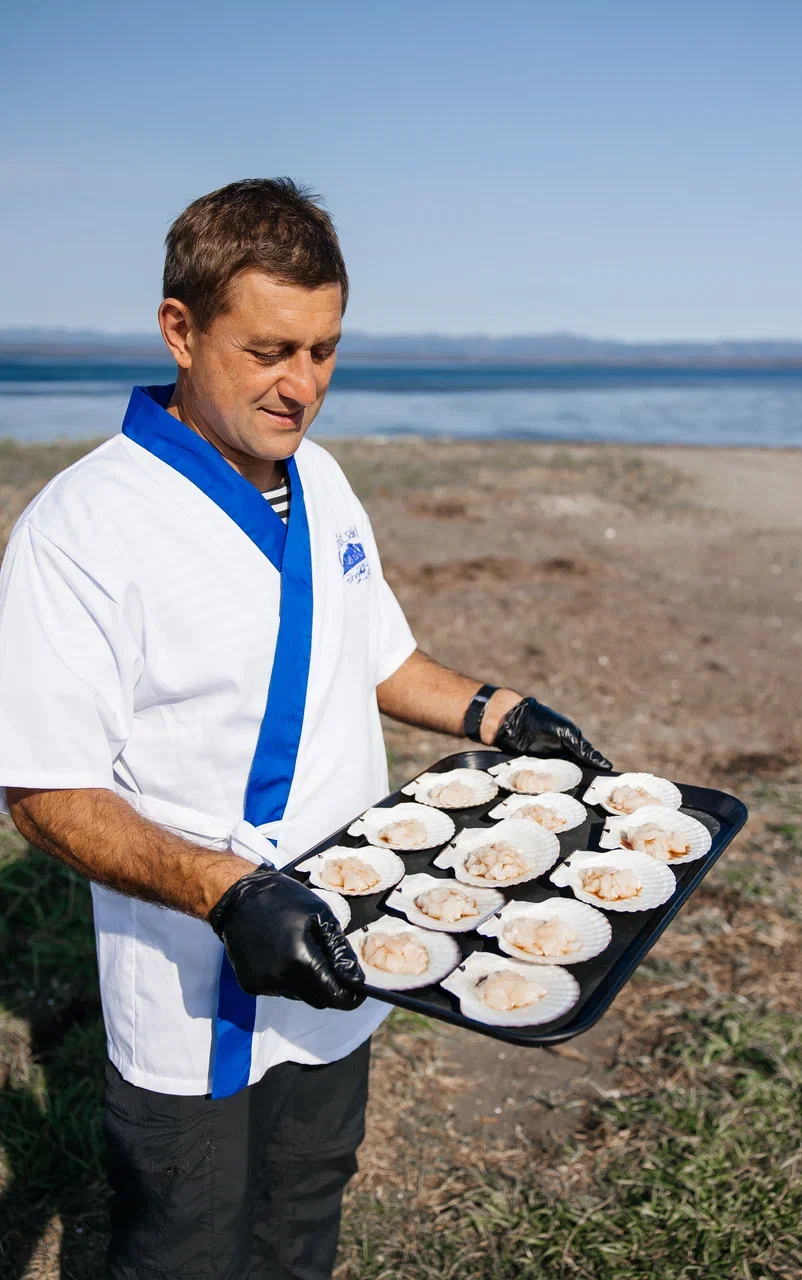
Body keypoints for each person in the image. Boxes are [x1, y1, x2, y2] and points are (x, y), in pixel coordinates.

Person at [0, 178, 611, 1280]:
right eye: (271, 349)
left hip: (346, 946)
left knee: (304, 1214)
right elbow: (46, 794)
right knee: (184, 1246)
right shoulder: (80, 530)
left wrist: (500, 711)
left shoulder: (320, 482)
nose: (303, 387)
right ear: (180, 330)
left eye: (325, 350)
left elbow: (375, 655)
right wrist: (230, 892)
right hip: (195, 977)